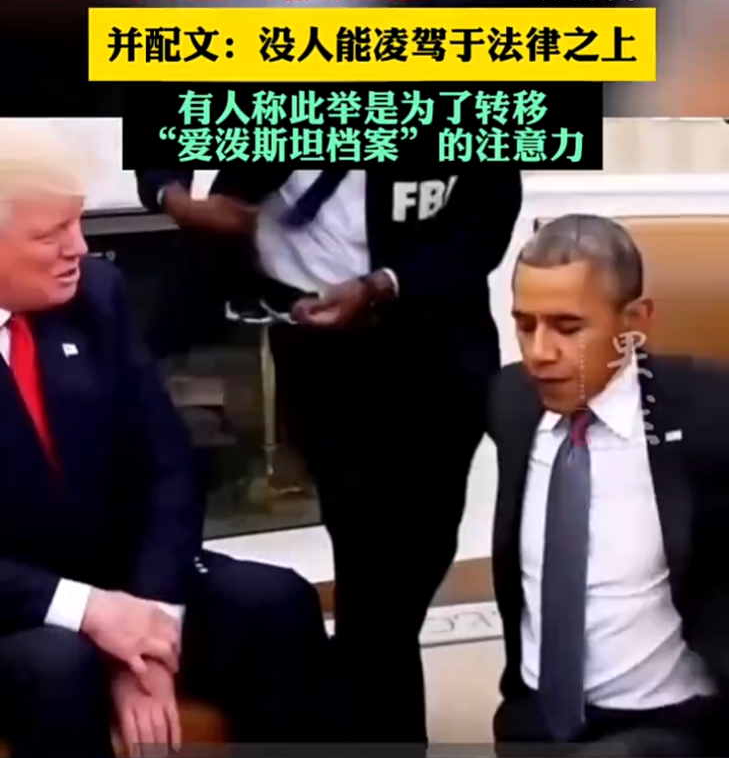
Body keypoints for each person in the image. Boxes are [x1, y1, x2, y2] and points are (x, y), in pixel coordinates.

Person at [137, 163, 523, 742]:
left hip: (433, 356)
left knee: (404, 569)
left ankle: (346, 708)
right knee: (372, 580)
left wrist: (384, 285)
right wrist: (175, 198)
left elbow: (487, 222)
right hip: (313, 350)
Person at [0, 127, 335, 758]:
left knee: (276, 603)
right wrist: (90, 611)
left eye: (78, 222)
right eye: (51, 234)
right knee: (57, 666)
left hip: (122, 580)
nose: (80, 248)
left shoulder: (95, 296)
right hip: (16, 610)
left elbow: (167, 465)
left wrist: (152, 627)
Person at [489, 214, 729, 757]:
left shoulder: (708, 409)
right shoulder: (511, 400)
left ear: (634, 321)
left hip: (667, 725)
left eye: (568, 327)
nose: (539, 351)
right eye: (525, 325)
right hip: (532, 720)